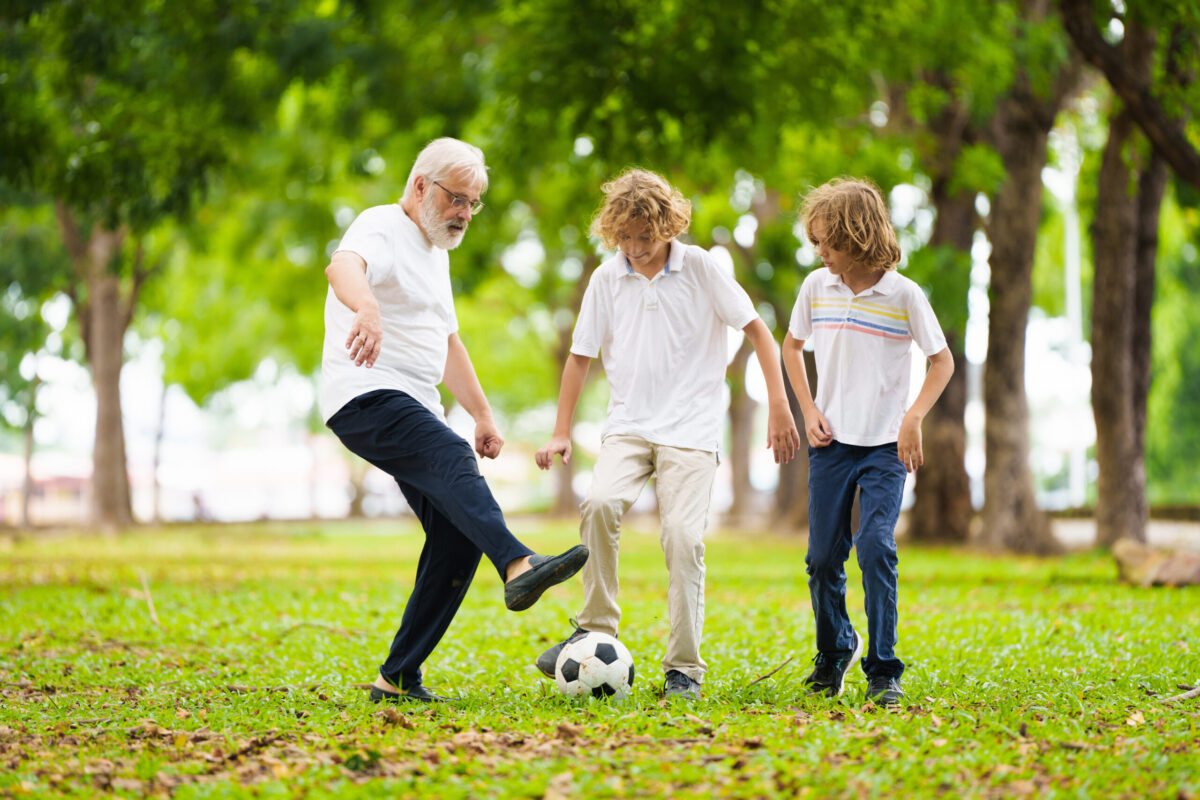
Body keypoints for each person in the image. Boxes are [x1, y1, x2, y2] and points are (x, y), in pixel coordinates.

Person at [321, 137, 589, 703]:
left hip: (414, 402)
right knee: (450, 456)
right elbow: (343, 266)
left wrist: (483, 413)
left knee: (457, 537)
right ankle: (518, 563)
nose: (465, 213)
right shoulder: (380, 226)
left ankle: (396, 678)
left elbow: (446, 341)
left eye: (474, 203)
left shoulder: (435, 255)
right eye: (456, 199)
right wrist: (365, 305)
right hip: (367, 394)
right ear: (421, 186)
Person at [534, 168, 801, 699]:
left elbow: (758, 331)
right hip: (628, 425)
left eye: (646, 238)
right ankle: (595, 629)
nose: (635, 249)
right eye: (625, 239)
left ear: (668, 226)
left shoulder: (701, 267)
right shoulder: (607, 278)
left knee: (683, 539)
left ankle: (683, 668)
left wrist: (778, 405)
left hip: (691, 430)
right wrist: (561, 431)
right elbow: (579, 358)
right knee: (601, 504)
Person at [781, 177, 954, 706]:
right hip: (831, 445)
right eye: (815, 242)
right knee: (821, 559)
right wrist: (808, 410)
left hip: (884, 448)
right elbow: (792, 348)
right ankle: (835, 652)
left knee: (876, 547)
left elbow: (941, 361)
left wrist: (913, 417)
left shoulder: (904, 294)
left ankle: (884, 669)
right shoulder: (816, 287)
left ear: (854, 237)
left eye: (826, 242)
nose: (819, 252)